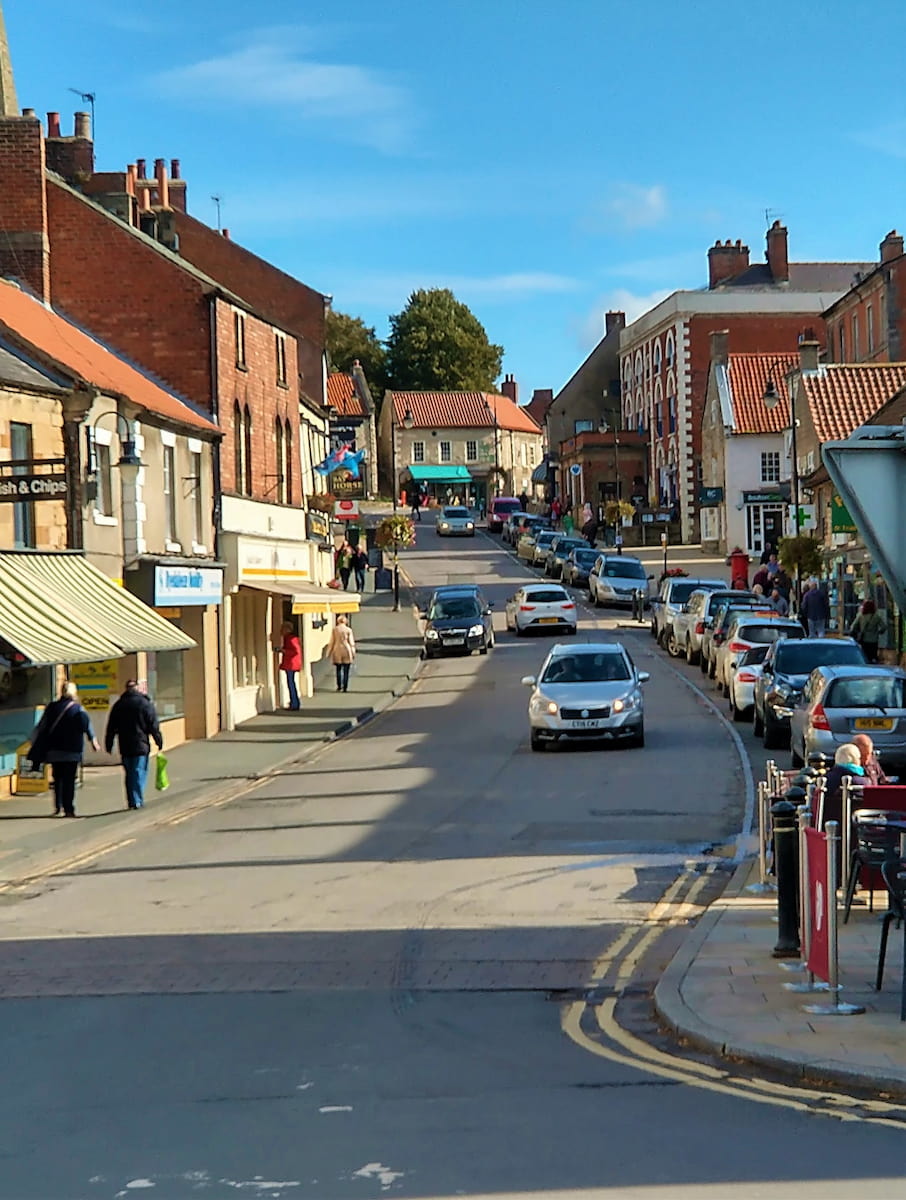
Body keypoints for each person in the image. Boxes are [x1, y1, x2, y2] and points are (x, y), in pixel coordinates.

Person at [28, 681, 100, 818]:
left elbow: (42, 726)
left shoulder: (52, 707)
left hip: (54, 749)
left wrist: (34, 741)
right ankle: (69, 808)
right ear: (74, 693)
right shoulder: (78, 709)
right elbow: (86, 725)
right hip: (72, 750)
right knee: (69, 780)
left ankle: (58, 806)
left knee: (58, 779)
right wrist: (93, 741)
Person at [105, 680, 164, 809]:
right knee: (138, 772)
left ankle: (132, 799)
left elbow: (111, 727)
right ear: (137, 688)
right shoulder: (144, 704)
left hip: (125, 745)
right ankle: (137, 799)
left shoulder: (119, 705)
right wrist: (158, 740)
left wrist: (108, 744)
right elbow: (153, 725)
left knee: (129, 773)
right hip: (141, 744)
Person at [821, 743, 866, 832]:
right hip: (859, 828)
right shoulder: (863, 782)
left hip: (830, 827)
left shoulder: (825, 780)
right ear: (855, 760)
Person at [273, 621, 302, 710]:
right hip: (292, 663)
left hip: (291, 663)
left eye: (283, 629)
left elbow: (295, 651)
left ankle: (294, 703)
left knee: (291, 683)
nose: (281, 631)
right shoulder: (291, 638)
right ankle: (294, 702)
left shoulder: (290, 639)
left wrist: (283, 651)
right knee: (291, 683)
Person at [849, 598, 887, 663]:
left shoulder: (861, 616)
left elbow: (853, 626)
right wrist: (879, 632)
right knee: (873, 656)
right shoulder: (876, 617)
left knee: (864, 656)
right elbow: (884, 627)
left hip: (864, 639)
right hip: (874, 640)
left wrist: (856, 632)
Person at [326, 614, 356, 692]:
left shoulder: (335, 630)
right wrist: (353, 652)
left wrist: (328, 652)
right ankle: (345, 687)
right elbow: (351, 642)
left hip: (337, 650)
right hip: (346, 649)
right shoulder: (348, 630)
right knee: (346, 670)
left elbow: (332, 642)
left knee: (338, 669)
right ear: (345, 621)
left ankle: (339, 686)